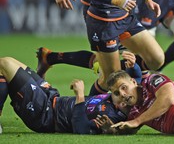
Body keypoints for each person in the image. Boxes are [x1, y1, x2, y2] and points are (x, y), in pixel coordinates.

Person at [0, 56, 129, 134]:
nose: (122, 95)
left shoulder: (110, 118)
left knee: (4, 64)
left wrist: (80, 95)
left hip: (46, 115)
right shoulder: (111, 99)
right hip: (51, 97)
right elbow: (95, 95)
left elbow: (81, 129)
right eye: (118, 91)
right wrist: (132, 65)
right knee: (9, 62)